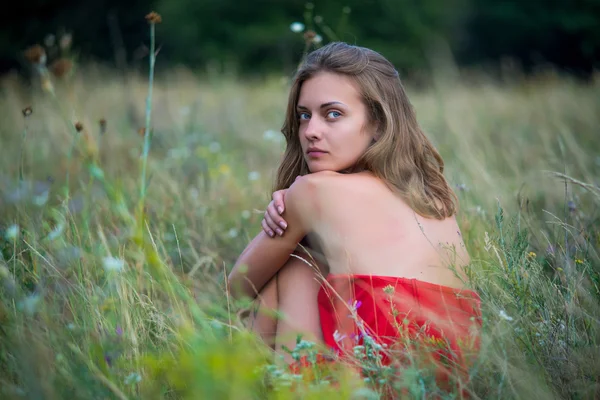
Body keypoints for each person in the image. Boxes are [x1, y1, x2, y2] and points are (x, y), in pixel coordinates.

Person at [227, 42, 481, 391]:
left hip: (375, 382)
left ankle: (240, 389)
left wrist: (283, 217)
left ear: (377, 123)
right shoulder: (434, 202)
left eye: (333, 114)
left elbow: (240, 287)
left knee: (296, 265)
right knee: (307, 260)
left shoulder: (314, 191)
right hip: (443, 388)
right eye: (304, 115)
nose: (311, 131)